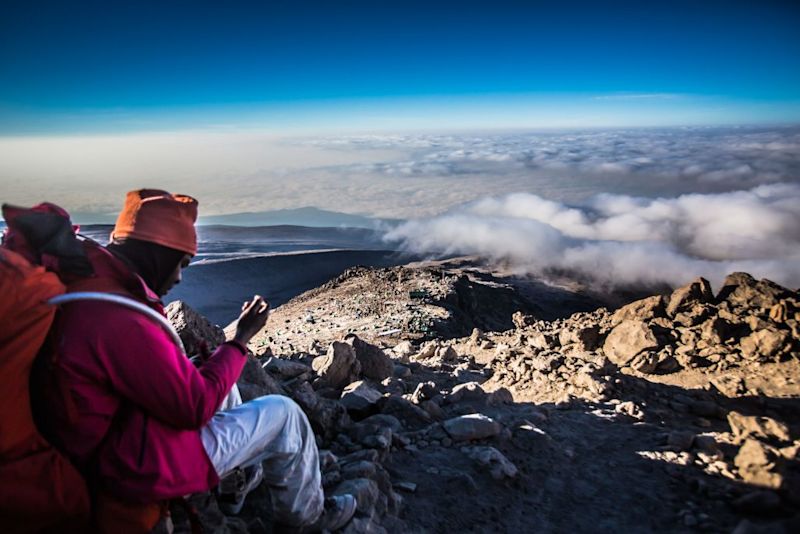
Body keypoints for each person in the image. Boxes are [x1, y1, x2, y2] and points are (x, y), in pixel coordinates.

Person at [34, 189, 355, 532]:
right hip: (132, 464)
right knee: (284, 414)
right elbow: (194, 407)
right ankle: (310, 520)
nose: (179, 278)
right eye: (181, 264)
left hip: (110, 435)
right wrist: (240, 341)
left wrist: (209, 363)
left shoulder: (93, 279)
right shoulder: (120, 318)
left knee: (223, 386)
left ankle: (233, 488)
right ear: (157, 253)